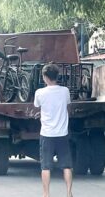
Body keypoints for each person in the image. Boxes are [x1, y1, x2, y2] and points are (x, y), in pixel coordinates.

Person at [34, 64, 73, 197]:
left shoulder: (39, 93)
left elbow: (38, 106)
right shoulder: (65, 91)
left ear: (44, 77)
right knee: (66, 165)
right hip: (62, 133)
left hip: (46, 134)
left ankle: (46, 194)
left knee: (46, 166)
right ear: (57, 76)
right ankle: (69, 193)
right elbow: (67, 107)